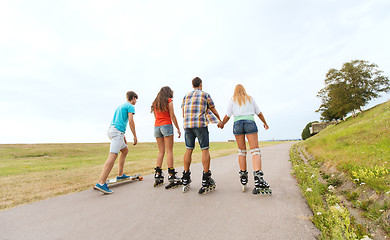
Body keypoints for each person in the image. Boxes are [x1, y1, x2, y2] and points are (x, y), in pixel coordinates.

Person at [218, 84, 271, 195]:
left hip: (237, 124)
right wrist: (265, 123)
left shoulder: (232, 99)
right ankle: (258, 178)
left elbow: (227, 115)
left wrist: (222, 124)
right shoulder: (250, 98)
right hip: (250, 123)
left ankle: (243, 177)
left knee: (242, 152)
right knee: (255, 151)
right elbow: (259, 113)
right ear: (244, 90)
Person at [181, 77, 222, 194]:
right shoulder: (205, 95)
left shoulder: (186, 96)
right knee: (204, 149)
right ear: (200, 84)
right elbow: (213, 109)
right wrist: (220, 121)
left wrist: (186, 122)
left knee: (189, 149)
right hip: (200, 124)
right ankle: (206, 179)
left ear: (192, 85)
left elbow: (183, 112)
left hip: (187, 125)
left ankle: (185, 177)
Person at [94, 91, 138, 194]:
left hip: (113, 130)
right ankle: (101, 183)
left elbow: (119, 122)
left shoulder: (120, 106)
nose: (136, 101)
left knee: (125, 150)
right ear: (133, 98)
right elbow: (131, 121)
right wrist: (135, 136)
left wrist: (123, 137)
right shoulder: (130, 106)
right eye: (136, 99)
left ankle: (120, 174)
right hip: (117, 133)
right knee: (113, 155)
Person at [151, 86, 182, 189]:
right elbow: (172, 116)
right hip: (166, 125)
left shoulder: (155, 103)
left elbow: (156, 116)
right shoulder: (169, 101)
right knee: (169, 151)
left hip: (157, 126)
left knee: (161, 151)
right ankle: (171, 175)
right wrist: (178, 128)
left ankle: (158, 174)